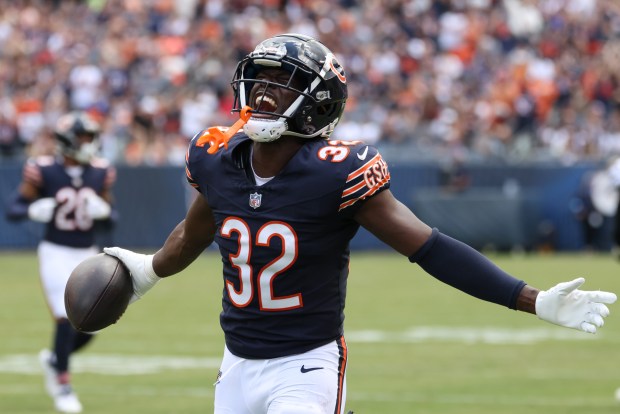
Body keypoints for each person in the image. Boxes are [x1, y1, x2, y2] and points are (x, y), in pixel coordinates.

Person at [104, 34, 616, 414]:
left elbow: (429, 248)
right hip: (235, 364)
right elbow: (194, 232)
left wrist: (530, 299)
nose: (263, 91)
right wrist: (147, 272)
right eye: (259, 78)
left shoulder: (336, 171)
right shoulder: (218, 157)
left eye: (283, 84)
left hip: (304, 366)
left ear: (317, 102)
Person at [6, 111, 116, 413]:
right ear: (68, 141)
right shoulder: (42, 170)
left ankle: (55, 359)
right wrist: (31, 210)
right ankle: (63, 384)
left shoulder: (100, 171)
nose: (89, 143)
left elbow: (112, 218)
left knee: (92, 325)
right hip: (55, 251)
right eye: (83, 138)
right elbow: (14, 208)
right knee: (64, 317)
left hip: (88, 252)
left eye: (90, 137)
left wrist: (104, 212)